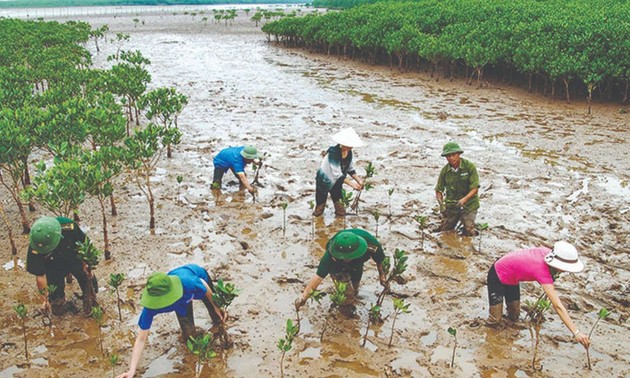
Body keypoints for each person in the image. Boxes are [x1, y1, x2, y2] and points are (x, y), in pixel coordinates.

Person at [118, 264, 225, 378]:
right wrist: (131, 370)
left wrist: (217, 306)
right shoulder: (150, 308)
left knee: (218, 316)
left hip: (195, 279)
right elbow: (141, 339)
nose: (161, 303)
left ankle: (220, 327)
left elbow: (204, 286)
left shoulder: (188, 283)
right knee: (189, 335)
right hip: (182, 301)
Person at [486, 241, 590, 348]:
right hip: (497, 274)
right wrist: (576, 332)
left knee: (514, 315)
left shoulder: (548, 253)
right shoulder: (541, 270)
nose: (565, 271)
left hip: (512, 277)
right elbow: (558, 306)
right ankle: (490, 342)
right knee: (495, 321)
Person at [295, 229, 387, 311]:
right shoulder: (331, 255)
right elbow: (319, 276)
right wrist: (303, 297)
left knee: (355, 287)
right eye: (345, 257)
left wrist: (382, 276)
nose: (347, 260)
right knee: (346, 295)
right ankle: (344, 310)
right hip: (337, 265)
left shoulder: (371, 244)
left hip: (357, 263)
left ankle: (352, 295)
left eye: (349, 257)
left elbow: (380, 261)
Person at [26, 216, 95, 316]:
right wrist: (44, 299)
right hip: (53, 266)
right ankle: (59, 302)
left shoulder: (68, 227)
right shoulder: (36, 245)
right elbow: (40, 276)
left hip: (74, 257)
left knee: (88, 282)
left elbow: (85, 244)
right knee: (56, 303)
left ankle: (89, 299)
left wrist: (87, 264)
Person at [313, 128, 364, 217]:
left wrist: (359, 180)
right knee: (319, 208)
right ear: (342, 143)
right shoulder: (333, 153)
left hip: (337, 182)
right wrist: (352, 184)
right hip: (324, 181)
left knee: (340, 209)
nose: (351, 147)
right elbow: (336, 173)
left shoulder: (349, 153)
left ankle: (339, 224)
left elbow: (350, 168)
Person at [434, 141, 480, 236]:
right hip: (452, 204)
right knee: (445, 229)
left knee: (468, 229)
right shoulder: (445, 171)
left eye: (453, 155)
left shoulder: (469, 167)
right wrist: (441, 204)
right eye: (448, 156)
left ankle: (474, 239)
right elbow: (438, 190)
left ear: (458, 154)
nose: (451, 158)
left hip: (469, 204)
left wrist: (464, 199)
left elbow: (475, 188)